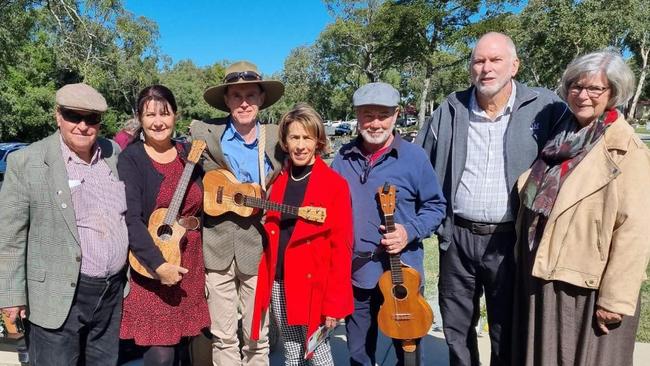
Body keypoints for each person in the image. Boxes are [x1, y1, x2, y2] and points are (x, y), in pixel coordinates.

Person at [416, 32, 570, 366]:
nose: (486, 68)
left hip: (511, 240)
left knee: (506, 327)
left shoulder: (546, 108)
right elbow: (420, 164)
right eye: (479, 61)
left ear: (514, 65)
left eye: (495, 60)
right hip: (457, 238)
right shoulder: (450, 108)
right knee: (456, 327)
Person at [512, 50, 650, 366]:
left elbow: (636, 232)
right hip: (546, 272)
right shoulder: (562, 137)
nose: (583, 95)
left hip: (585, 286)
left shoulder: (627, 151)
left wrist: (614, 300)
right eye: (576, 86)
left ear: (613, 93)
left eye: (595, 89)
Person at [0, 83, 127, 365]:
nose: (83, 125)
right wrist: (11, 296)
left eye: (91, 118)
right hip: (56, 294)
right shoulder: (27, 162)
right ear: (58, 116)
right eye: (73, 116)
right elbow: (9, 238)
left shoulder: (112, 153)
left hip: (111, 295)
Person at [332, 82, 446, 365]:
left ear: (395, 115)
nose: (375, 123)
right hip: (358, 273)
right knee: (358, 351)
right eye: (367, 115)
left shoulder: (414, 157)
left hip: (402, 273)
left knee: (406, 352)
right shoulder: (342, 158)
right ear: (357, 116)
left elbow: (436, 206)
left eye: (382, 114)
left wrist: (409, 231)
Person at [190, 60, 286, 366]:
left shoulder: (277, 139)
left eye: (250, 96)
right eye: (236, 96)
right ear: (227, 100)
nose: (244, 103)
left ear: (261, 99)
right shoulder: (207, 134)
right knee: (223, 335)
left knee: (257, 335)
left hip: (258, 248)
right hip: (216, 248)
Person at [250, 103, 354, 365]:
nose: (300, 145)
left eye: (307, 137)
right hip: (280, 281)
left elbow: (342, 247)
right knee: (291, 351)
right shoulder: (278, 181)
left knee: (317, 352)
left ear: (319, 140)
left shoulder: (334, 184)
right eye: (294, 137)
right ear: (285, 141)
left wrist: (334, 303)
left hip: (314, 285)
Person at [117, 85, 210, 365]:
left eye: (165, 113)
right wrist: (159, 266)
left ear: (176, 116)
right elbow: (130, 219)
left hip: (190, 262)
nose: (158, 121)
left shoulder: (189, 155)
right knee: (160, 354)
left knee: (184, 349)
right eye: (150, 115)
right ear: (139, 118)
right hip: (151, 267)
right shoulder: (132, 159)